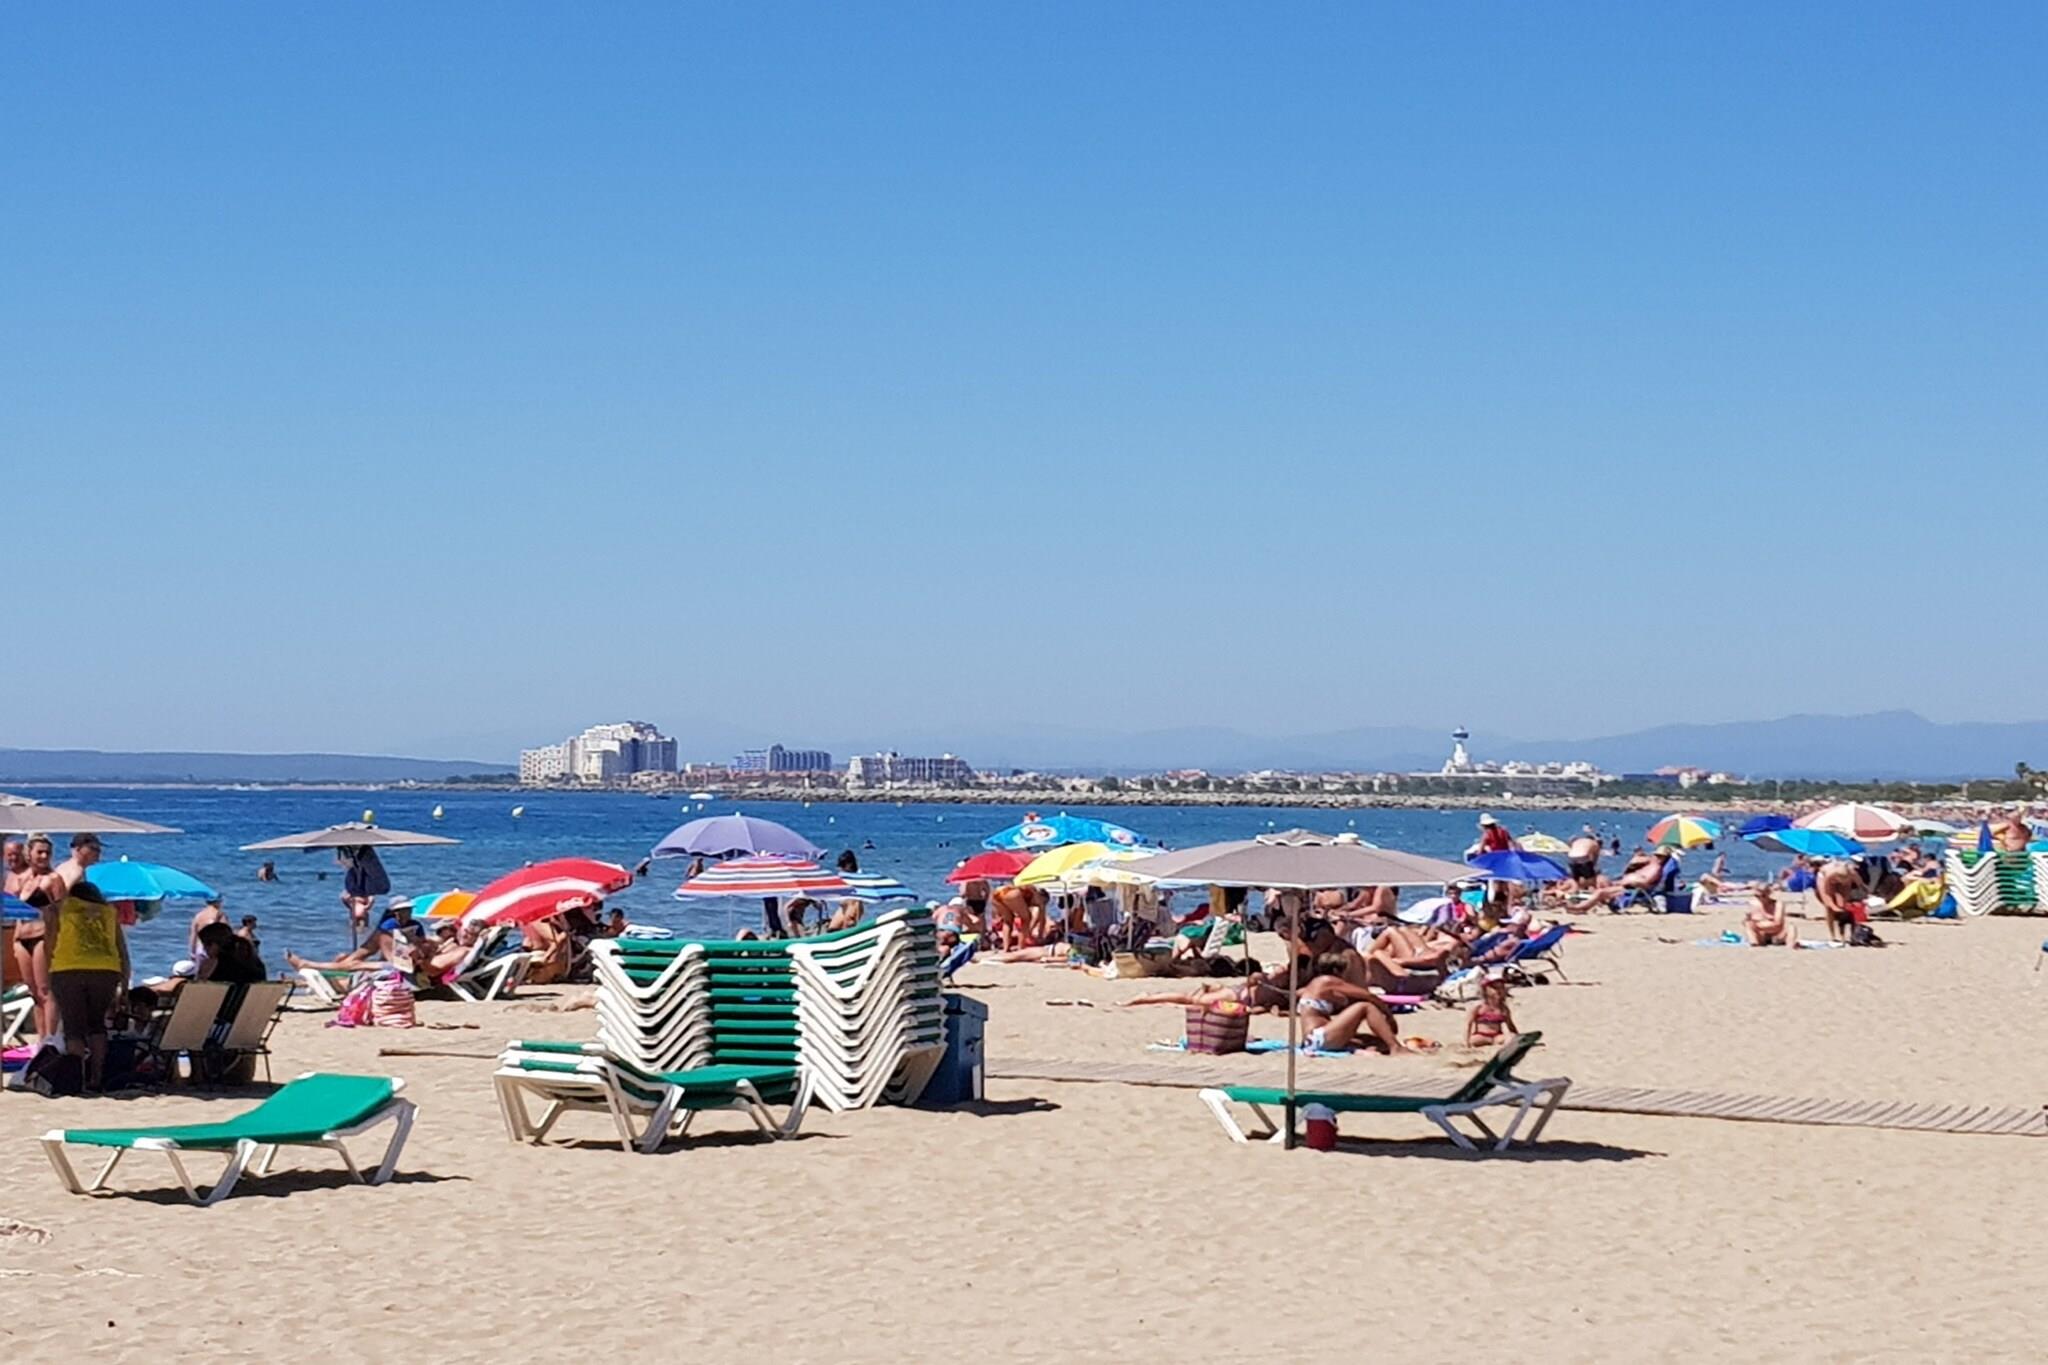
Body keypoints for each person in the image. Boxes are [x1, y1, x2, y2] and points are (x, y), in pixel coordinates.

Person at [40, 880, 130, 1091]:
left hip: (68, 968)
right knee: (97, 1024)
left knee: (73, 1027)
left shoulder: (57, 909)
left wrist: (49, 971)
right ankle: (96, 1077)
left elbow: (49, 943)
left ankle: (76, 1077)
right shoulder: (109, 911)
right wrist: (125, 982)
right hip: (106, 970)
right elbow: (121, 948)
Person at [5, 836, 55, 1040]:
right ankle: (41, 1040)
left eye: (47, 853)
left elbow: (60, 912)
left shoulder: (52, 879)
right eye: (39, 852)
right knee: (33, 992)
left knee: (45, 991)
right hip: (20, 937)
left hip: (41, 935)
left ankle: (51, 1039)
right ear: (29, 854)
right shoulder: (18, 878)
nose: (44, 856)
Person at [194, 920, 268, 983]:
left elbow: (200, 987)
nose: (204, 949)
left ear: (215, 944)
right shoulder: (255, 963)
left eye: (206, 944)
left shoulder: (214, 963)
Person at [1815, 859, 1870, 944]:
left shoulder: (1852, 873)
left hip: (1844, 877)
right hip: (1826, 878)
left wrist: (1866, 891)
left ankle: (1843, 935)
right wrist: (1833, 906)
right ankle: (1832, 935)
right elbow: (1826, 895)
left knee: (1843, 906)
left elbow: (1861, 885)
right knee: (1829, 908)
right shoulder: (1827, 876)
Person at [1466, 976, 1517, 1047]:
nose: (1498, 990)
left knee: (1511, 1036)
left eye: (1501, 988)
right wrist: (1467, 1042)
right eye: (1494, 988)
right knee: (1474, 1040)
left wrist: (1517, 1036)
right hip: (1481, 1035)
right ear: (1485, 990)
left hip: (1496, 1036)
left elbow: (1510, 1025)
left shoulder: (1503, 1008)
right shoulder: (1479, 1007)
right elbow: (1469, 1024)